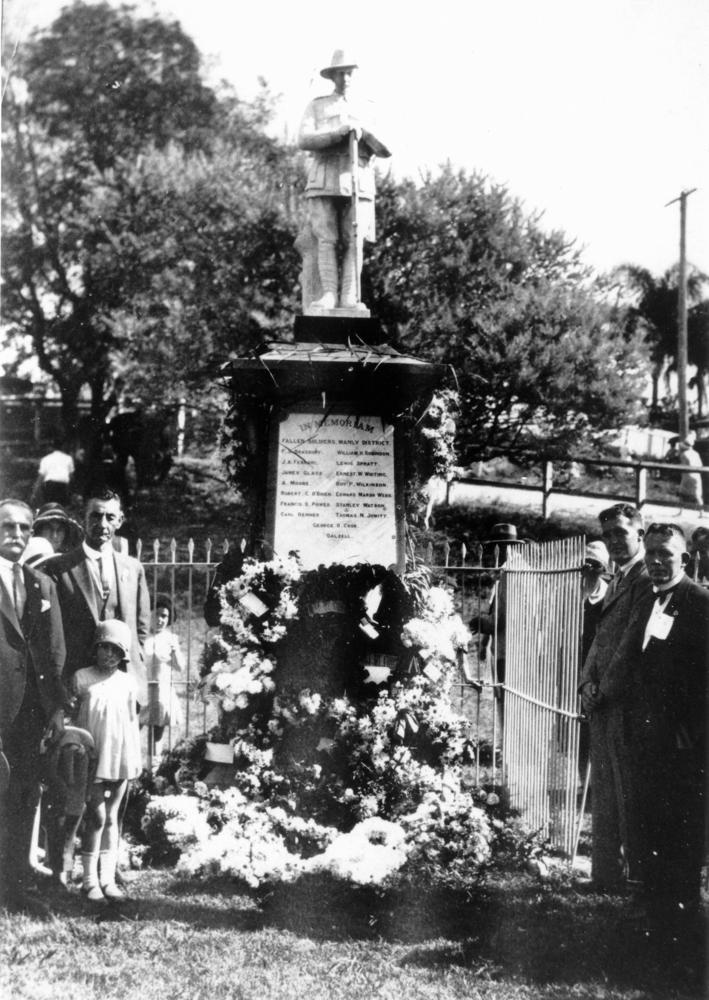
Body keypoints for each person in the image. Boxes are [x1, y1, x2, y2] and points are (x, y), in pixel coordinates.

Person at [619, 524, 709, 940]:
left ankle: (682, 918)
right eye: (651, 553)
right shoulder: (645, 598)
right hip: (645, 737)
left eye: (666, 556)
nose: (655, 562)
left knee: (682, 828)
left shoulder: (700, 602)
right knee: (649, 822)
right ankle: (655, 911)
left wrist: (690, 732)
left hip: (682, 744)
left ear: (685, 560)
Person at [0, 499, 69, 913]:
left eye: (25, 528)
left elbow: (54, 651)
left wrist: (57, 708)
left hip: (30, 712)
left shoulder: (41, 583)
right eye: (8, 526)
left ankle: (14, 887)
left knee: (23, 796)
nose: (17, 535)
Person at [579, 503, 651, 891]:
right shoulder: (618, 576)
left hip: (626, 702)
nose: (614, 541)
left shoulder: (646, 577)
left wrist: (602, 691)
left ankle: (636, 876)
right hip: (602, 701)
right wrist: (584, 683)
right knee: (603, 791)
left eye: (621, 533)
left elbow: (630, 646)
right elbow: (600, 639)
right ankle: (604, 876)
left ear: (639, 533)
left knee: (630, 792)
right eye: (608, 535)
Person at [297, 49, 391, 311]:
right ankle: (328, 294)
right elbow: (303, 139)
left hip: (358, 177)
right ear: (332, 75)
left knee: (355, 238)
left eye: (349, 72)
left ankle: (349, 297)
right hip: (325, 175)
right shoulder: (318, 105)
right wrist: (336, 134)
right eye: (340, 72)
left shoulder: (369, 107)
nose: (345, 77)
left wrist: (366, 134)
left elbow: (387, 148)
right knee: (325, 237)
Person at [43, 490, 150, 705]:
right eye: (95, 515)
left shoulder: (133, 568)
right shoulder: (59, 568)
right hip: (78, 682)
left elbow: (141, 627)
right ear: (83, 518)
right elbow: (52, 630)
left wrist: (135, 667)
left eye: (110, 517)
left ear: (119, 521)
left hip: (124, 680)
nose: (102, 523)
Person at [71, 620, 141, 902]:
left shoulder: (127, 682)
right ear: (95, 648)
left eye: (115, 650)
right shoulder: (82, 678)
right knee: (96, 817)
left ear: (123, 654)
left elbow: (131, 723)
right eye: (104, 648)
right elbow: (73, 719)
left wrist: (133, 760)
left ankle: (107, 879)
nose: (109, 655)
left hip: (119, 757)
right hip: (93, 757)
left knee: (113, 817)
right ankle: (89, 881)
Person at [579, 540, 610, 778]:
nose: (590, 569)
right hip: (573, 665)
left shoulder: (609, 594)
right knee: (578, 727)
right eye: (585, 564)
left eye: (595, 565)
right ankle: (583, 779)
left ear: (603, 568)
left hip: (598, 668)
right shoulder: (570, 592)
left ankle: (597, 780)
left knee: (596, 725)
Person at [140, 597, 185, 763]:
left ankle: (153, 768)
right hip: (142, 688)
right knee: (133, 727)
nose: (160, 619)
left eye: (164, 616)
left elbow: (180, 667)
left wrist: (175, 651)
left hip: (161, 689)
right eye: (157, 614)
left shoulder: (170, 638)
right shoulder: (142, 635)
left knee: (157, 732)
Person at [32, 436, 75, 507]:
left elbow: (41, 477)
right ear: (63, 447)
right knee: (62, 507)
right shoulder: (68, 458)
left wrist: (35, 492)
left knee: (50, 506)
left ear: (52, 447)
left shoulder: (46, 459)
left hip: (50, 486)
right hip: (63, 487)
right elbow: (71, 477)